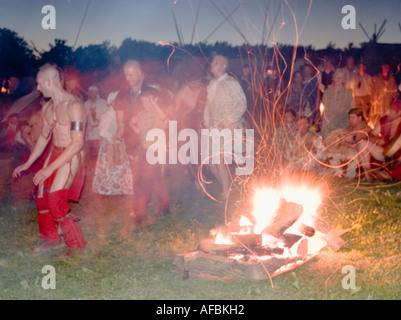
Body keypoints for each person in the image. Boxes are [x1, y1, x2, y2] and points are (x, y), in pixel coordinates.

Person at [12, 63, 87, 260]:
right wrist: (29, 164)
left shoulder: (75, 106)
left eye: (39, 84)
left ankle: (76, 245)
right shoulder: (48, 107)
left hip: (70, 155)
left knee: (55, 200)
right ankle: (50, 239)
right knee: (41, 196)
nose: (37, 88)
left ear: (50, 82)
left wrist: (50, 168)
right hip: (54, 152)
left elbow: (77, 143)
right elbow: (45, 137)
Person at [203, 54, 247, 199]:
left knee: (219, 159)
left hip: (226, 128)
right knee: (210, 161)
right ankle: (225, 184)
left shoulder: (231, 82)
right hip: (212, 127)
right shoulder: (212, 84)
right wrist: (206, 122)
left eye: (216, 63)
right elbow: (208, 106)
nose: (212, 65)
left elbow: (242, 103)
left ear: (223, 66)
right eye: (213, 62)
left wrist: (229, 119)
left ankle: (226, 190)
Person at [129, 86, 171, 224]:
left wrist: (154, 103)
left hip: (156, 151)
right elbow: (141, 131)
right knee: (147, 180)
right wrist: (133, 126)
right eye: (143, 102)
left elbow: (164, 118)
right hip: (144, 151)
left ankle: (144, 211)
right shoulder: (141, 115)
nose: (145, 105)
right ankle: (150, 208)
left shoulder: (159, 112)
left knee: (152, 180)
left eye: (148, 101)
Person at [356, 100, 401, 182]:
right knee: (362, 144)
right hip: (383, 153)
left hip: (397, 158)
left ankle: (389, 174)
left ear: (399, 113)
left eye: (391, 111)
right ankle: (368, 175)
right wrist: (376, 139)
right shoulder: (384, 120)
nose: (387, 112)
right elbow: (370, 135)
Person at [320, 69, 354, 138]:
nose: (338, 79)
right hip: (327, 126)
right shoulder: (327, 92)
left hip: (341, 125)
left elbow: (351, 110)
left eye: (340, 78)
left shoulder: (348, 93)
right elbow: (323, 108)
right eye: (337, 77)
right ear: (333, 78)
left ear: (344, 79)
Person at [84, 86, 108, 163]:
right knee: (91, 155)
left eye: (94, 92)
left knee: (100, 154)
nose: (92, 94)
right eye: (90, 92)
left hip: (100, 133)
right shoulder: (86, 104)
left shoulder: (103, 102)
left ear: (97, 92)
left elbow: (108, 117)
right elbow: (84, 119)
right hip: (90, 134)